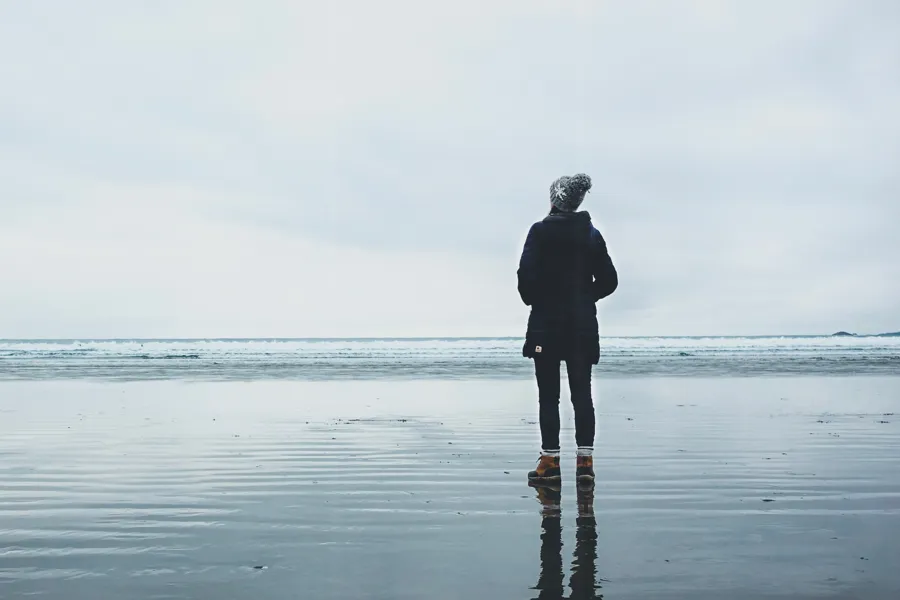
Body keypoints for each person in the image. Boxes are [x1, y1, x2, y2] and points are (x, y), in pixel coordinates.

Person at [516, 173, 618, 487]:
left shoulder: (539, 232)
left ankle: (550, 463)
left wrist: (540, 299)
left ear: (554, 200)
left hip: (546, 328)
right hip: (582, 327)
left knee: (549, 398)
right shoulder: (591, 234)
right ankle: (585, 464)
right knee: (582, 396)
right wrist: (586, 296)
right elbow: (609, 281)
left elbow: (525, 280)